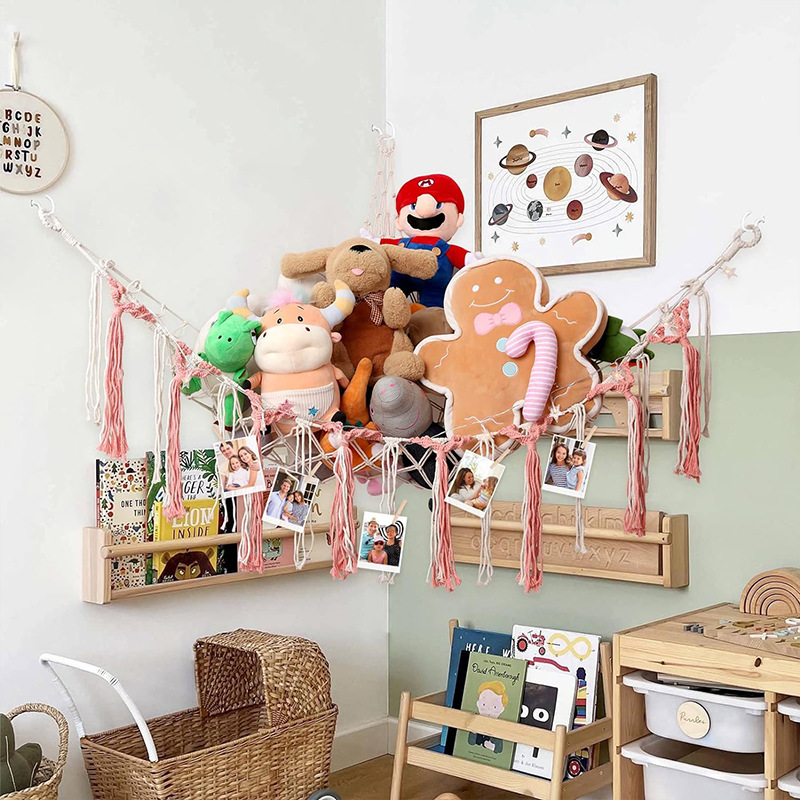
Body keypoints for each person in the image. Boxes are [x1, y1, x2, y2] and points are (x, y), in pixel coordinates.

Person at [378, 174, 481, 308]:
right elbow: (382, 244)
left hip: (435, 282)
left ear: (458, 219)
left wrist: (473, 259)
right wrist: (372, 241)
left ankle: (430, 316)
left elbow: (463, 257)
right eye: (413, 206)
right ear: (398, 221)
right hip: (401, 276)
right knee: (391, 296)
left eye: (439, 205)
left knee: (433, 309)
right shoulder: (402, 243)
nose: (424, 213)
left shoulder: (448, 249)